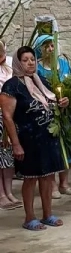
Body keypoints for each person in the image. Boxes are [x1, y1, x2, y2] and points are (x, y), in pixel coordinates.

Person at [0, 46, 70, 229]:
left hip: (48, 136)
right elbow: (7, 117)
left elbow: (52, 102)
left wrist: (62, 103)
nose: (30, 63)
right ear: (18, 62)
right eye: (25, 60)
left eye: (32, 59)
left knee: (48, 177)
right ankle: (29, 217)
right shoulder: (12, 85)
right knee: (30, 178)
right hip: (28, 138)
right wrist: (16, 144)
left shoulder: (42, 81)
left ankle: (48, 214)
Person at [33, 34, 71, 198]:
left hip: (64, 112)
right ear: (39, 49)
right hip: (47, 113)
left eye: (52, 46)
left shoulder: (64, 64)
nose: (50, 49)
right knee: (51, 149)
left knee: (66, 147)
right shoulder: (37, 68)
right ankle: (52, 185)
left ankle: (64, 183)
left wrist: (67, 98)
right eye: (46, 46)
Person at [0, 40, 20, 210]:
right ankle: (1, 194)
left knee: (7, 157)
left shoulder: (8, 67)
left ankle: (9, 191)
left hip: (8, 116)